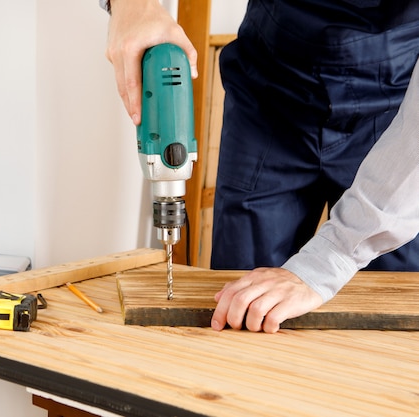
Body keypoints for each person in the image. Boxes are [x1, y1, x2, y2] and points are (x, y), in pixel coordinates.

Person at [100, 0, 419, 332]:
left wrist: (327, 261)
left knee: (394, 314)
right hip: (271, 88)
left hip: (399, 111)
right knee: (239, 309)